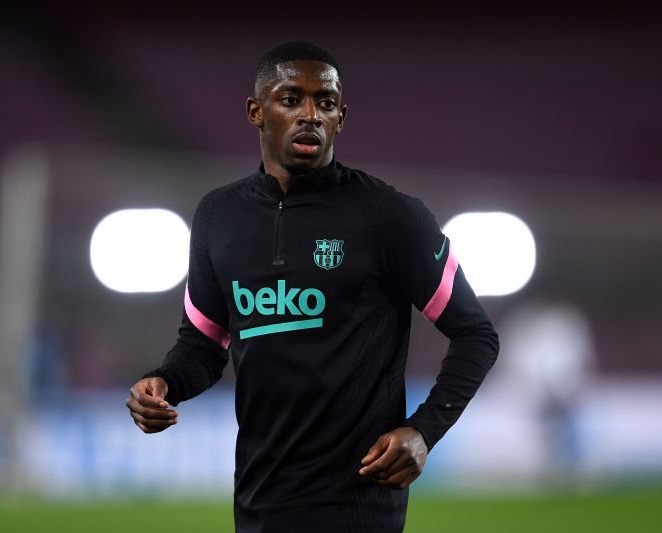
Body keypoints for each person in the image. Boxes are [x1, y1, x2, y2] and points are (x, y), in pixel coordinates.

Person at [126, 41, 499, 532]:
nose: (310, 115)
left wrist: (424, 431)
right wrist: (165, 383)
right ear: (256, 112)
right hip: (260, 502)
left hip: (360, 504)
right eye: (291, 99)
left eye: (325, 103)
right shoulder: (218, 216)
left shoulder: (390, 216)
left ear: (341, 118)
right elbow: (203, 342)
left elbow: (476, 335)